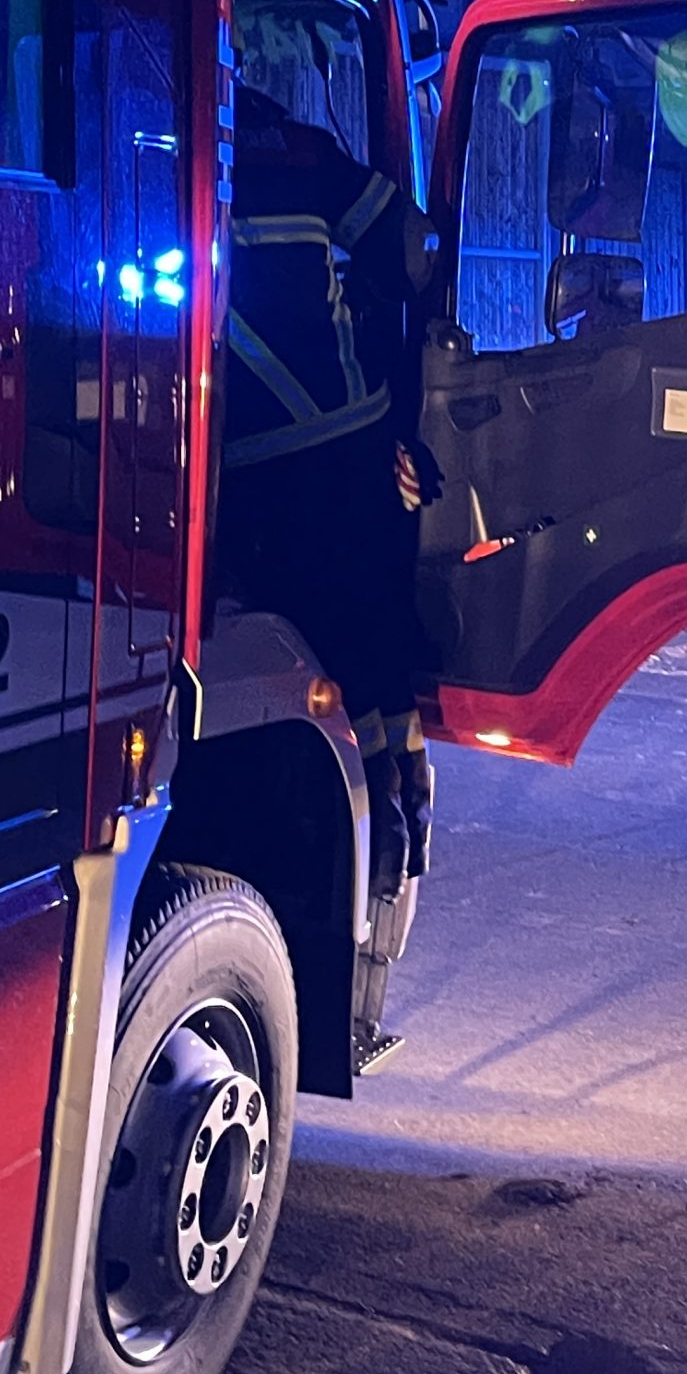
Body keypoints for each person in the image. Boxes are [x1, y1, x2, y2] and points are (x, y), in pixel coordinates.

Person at [218, 82, 439, 947]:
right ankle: (391, 804)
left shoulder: (159, 130)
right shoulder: (302, 153)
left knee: (294, 635)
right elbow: (413, 250)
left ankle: (371, 803)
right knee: (369, 633)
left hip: (238, 468)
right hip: (347, 442)